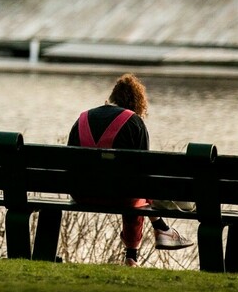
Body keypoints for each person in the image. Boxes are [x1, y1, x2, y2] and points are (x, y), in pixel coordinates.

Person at [67, 73, 194, 266]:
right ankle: (134, 255)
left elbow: (70, 163)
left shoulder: (82, 119)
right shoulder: (134, 122)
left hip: (82, 194)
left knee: (132, 186)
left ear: (113, 97)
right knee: (135, 188)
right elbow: (143, 171)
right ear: (137, 103)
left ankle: (161, 230)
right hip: (121, 197)